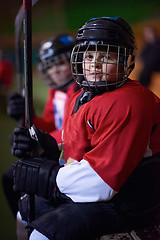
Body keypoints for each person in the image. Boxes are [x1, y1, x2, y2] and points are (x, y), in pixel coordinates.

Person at [10, 17, 160, 240]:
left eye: (106, 56)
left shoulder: (130, 101)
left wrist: (50, 177)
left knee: (43, 235)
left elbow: (102, 183)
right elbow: (77, 147)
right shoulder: (80, 96)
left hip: (132, 198)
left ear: (124, 61)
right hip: (104, 190)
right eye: (89, 56)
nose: (95, 64)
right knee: (26, 211)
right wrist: (45, 147)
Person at [2, 34, 79, 220]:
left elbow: (71, 131)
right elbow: (50, 124)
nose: (55, 71)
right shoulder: (56, 91)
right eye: (50, 66)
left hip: (71, 158)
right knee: (10, 177)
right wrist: (25, 116)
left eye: (60, 63)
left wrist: (38, 140)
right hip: (57, 151)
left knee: (17, 179)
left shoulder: (80, 90)